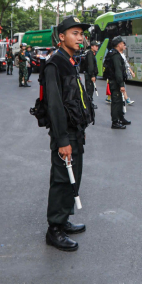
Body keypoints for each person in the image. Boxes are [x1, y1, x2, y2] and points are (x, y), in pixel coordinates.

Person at [42, 16, 94, 251]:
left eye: (81, 34)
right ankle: (54, 229)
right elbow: (54, 105)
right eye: (75, 33)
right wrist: (62, 139)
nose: (80, 37)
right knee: (63, 179)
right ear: (61, 37)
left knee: (74, 176)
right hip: (65, 134)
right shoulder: (55, 63)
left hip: (75, 131)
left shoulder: (69, 61)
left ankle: (63, 220)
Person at [105, 37, 129, 129]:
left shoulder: (113, 53)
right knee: (116, 102)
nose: (124, 45)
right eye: (122, 43)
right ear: (119, 44)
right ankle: (115, 122)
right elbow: (118, 71)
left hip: (114, 81)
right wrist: (121, 84)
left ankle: (120, 118)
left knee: (119, 101)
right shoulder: (115, 55)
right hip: (115, 82)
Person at [83, 41, 99, 110]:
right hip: (89, 75)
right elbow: (90, 66)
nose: (97, 47)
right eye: (96, 46)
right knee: (89, 90)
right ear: (92, 46)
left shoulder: (92, 54)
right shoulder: (90, 54)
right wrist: (92, 75)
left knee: (91, 90)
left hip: (90, 75)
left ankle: (89, 103)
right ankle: (88, 105)